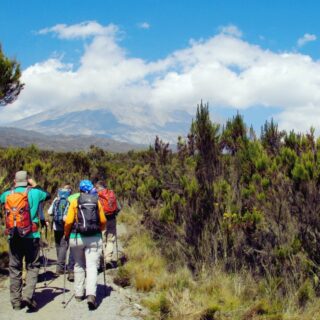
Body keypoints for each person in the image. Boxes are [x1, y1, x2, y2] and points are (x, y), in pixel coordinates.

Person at [0, 170, 50, 311]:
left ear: (15, 181)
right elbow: (48, 195)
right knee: (33, 266)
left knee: (14, 268)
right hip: (31, 235)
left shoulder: (7, 194)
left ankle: (16, 303)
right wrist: (35, 185)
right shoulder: (35, 192)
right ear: (27, 180)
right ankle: (27, 295)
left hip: (13, 236)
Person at [64, 180, 106, 310]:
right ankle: (91, 295)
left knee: (79, 265)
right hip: (94, 237)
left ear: (80, 189)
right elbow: (103, 220)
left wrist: (66, 234)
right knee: (92, 266)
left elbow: (69, 221)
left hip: (76, 238)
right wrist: (100, 230)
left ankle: (78, 294)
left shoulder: (75, 201)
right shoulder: (96, 201)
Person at [47, 185, 75, 279]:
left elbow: (49, 212)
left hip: (56, 226)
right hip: (65, 226)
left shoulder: (56, 199)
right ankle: (60, 267)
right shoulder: (70, 200)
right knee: (64, 245)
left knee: (58, 245)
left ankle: (60, 265)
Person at [95, 180, 121, 268]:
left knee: (102, 239)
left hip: (101, 220)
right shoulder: (111, 194)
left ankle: (101, 260)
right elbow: (118, 207)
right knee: (110, 239)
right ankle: (108, 259)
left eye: (96, 187)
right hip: (112, 219)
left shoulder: (97, 195)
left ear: (99, 187)